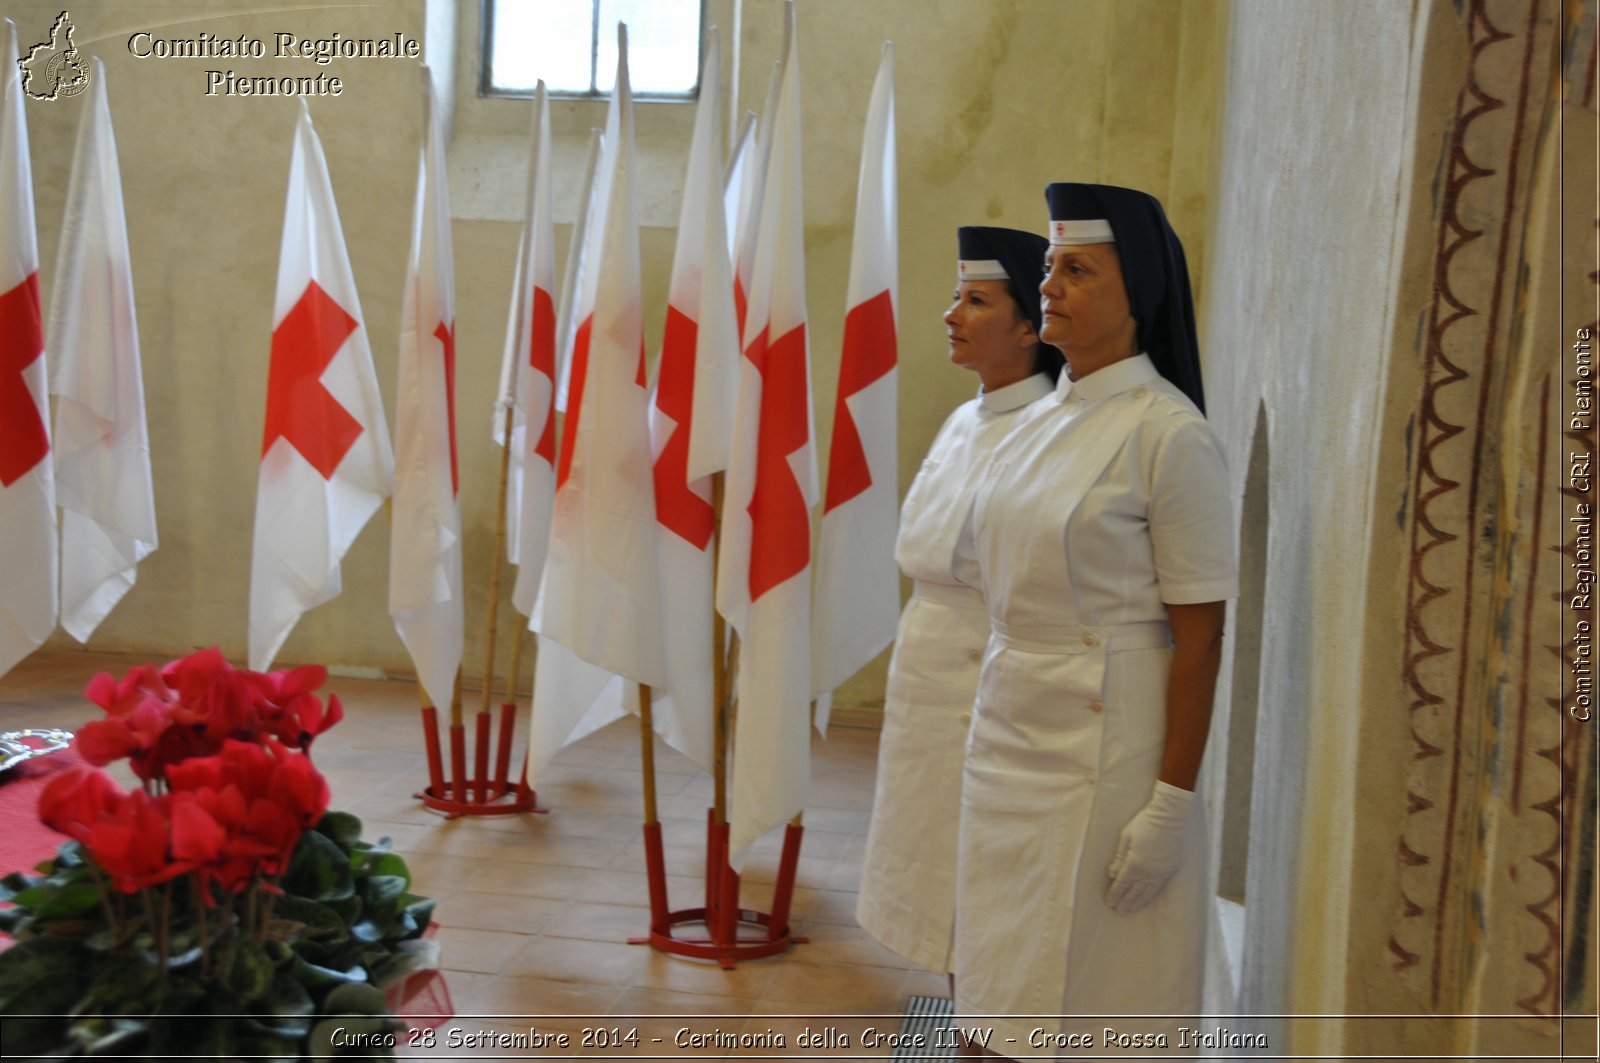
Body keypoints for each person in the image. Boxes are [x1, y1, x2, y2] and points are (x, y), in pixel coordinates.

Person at [954, 184, 1236, 1058]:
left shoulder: (1169, 434)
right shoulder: (1038, 421)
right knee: (992, 997)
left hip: (1103, 763)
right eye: (1048, 267)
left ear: (1137, 290)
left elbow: (1201, 635)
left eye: (1076, 269)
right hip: (1008, 742)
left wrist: (1171, 807)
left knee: (1088, 1010)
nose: (1050, 284)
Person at [857, 226, 1060, 976]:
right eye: (955, 296)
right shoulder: (964, 415)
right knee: (930, 861)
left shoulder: (1049, 429)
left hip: (988, 680)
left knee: (981, 879)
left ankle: (989, 1024)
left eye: (976, 300)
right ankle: (961, 1012)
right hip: (929, 672)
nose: (951, 314)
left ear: (1029, 327)